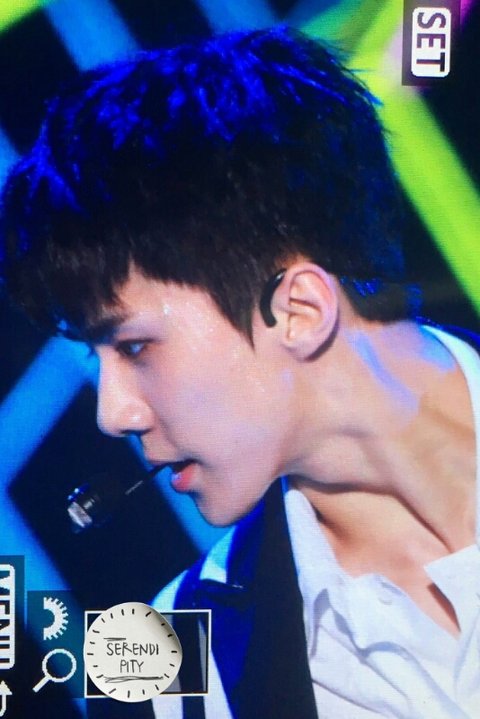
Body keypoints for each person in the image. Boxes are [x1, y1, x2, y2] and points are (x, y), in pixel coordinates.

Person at [1, 26, 478, 719]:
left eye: (133, 346)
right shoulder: (172, 686)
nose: (113, 413)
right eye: (93, 357)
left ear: (298, 310)